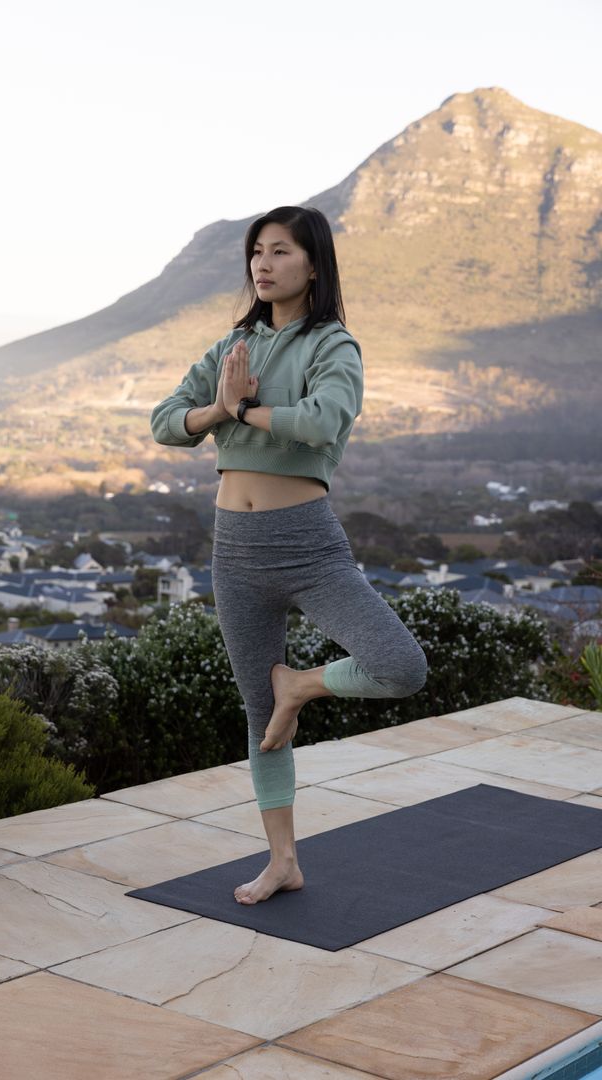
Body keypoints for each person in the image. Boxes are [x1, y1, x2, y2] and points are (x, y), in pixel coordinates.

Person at [150, 205, 428, 906]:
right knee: (254, 713)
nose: (263, 265)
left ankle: (299, 685)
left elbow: (321, 421)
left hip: (307, 545)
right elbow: (164, 423)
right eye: (256, 253)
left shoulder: (334, 347)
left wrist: (242, 412)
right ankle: (282, 861)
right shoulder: (231, 347)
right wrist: (219, 406)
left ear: (313, 263)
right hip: (233, 551)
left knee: (399, 666)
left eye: (279, 252)